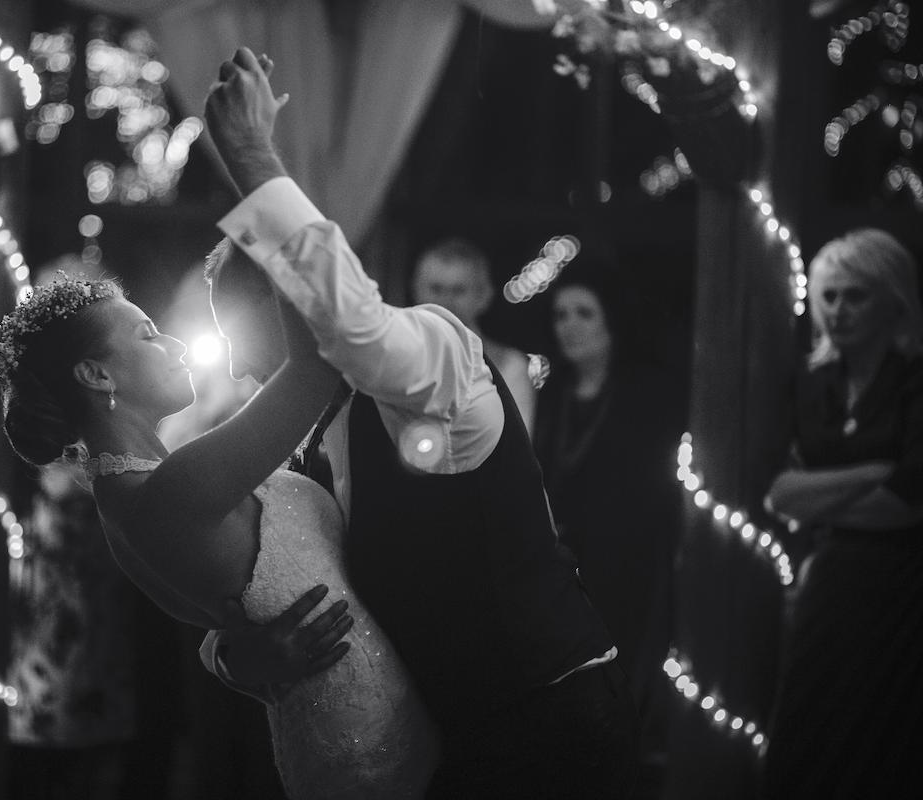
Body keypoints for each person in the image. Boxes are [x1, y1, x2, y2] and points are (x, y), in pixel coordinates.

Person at [201, 47, 639, 799]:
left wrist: (249, 152)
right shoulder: (303, 444)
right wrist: (236, 659)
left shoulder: (440, 352)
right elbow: (237, 572)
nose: (247, 386)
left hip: (551, 715)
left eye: (254, 361)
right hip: (445, 736)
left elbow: (355, 332)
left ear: (300, 317)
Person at [0, 265, 440, 799]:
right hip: (366, 731)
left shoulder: (127, 494)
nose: (176, 344)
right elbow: (314, 368)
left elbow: (223, 610)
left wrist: (227, 656)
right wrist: (276, 233)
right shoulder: (173, 487)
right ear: (98, 376)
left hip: (343, 720)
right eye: (149, 335)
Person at [762, 228, 923, 799]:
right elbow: (780, 494)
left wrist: (821, 496)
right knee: (809, 737)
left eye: (856, 295)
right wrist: (872, 471)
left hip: (902, 589)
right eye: (829, 296)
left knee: (886, 743)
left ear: (894, 299)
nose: (839, 310)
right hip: (827, 590)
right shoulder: (814, 382)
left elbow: (906, 508)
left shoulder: (913, 382)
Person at [531, 272, 683, 795]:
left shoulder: (648, 396)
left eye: (584, 313)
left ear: (613, 322)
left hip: (627, 566)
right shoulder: (550, 396)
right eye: (560, 314)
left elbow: (656, 494)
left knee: (621, 693)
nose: (569, 326)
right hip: (562, 568)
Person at [411, 238, 539, 433]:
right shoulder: (397, 355)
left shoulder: (509, 367)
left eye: (458, 291)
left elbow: (516, 447)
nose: (445, 302)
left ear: (483, 296)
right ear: (416, 291)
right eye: (436, 289)